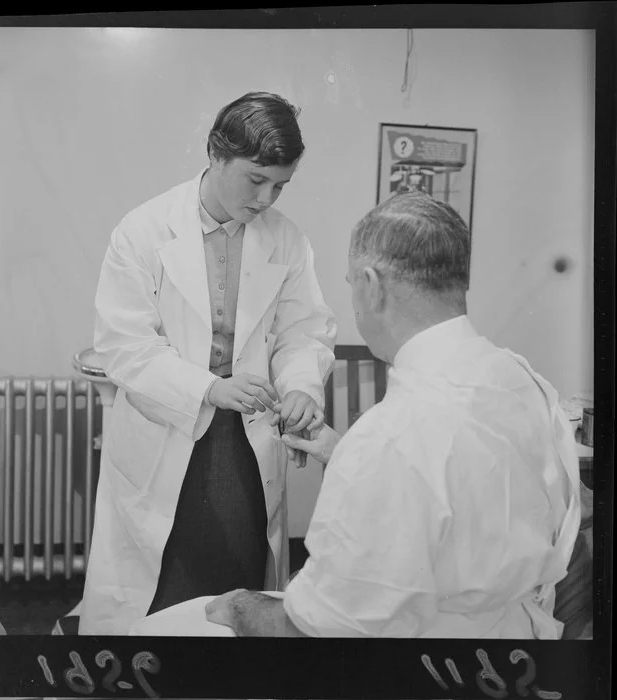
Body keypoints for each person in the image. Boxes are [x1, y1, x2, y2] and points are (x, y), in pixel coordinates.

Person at [205, 191, 581, 638]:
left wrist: (239, 607)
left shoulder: (390, 438)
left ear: (372, 285)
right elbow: (464, 485)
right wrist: (336, 450)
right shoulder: (520, 379)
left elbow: (318, 628)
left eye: (350, 286)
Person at [78, 92, 337, 635]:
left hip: (245, 442)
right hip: (166, 427)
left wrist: (300, 388)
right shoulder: (144, 231)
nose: (267, 198)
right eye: (255, 179)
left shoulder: (287, 240)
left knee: (234, 591)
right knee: (163, 591)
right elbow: (125, 346)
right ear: (217, 155)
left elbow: (303, 332)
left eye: (280, 185)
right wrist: (207, 389)